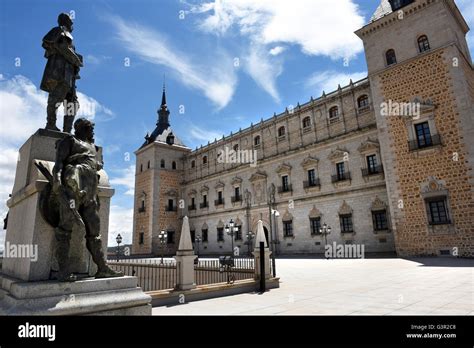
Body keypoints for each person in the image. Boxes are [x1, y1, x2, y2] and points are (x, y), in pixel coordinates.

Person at [52, 118, 122, 281]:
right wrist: (56, 181)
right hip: (73, 186)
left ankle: (102, 268)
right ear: (80, 128)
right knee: (65, 228)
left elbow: (96, 165)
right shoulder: (70, 140)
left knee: (94, 231)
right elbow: (58, 164)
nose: (92, 131)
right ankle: (63, 270)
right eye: (89, 128)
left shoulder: (93, 147)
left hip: (90, 191)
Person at [40, 13, 83, 133]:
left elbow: (66, 49)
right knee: (56, 98)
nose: (72, 23)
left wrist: (76, 60)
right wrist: (76, 59)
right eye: (70, 21)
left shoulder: (68, 36)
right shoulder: (59, 30)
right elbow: (61, 47)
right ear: (65, 21)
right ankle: (51, 124)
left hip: (69, 76)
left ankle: (67, 131)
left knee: (72, 104)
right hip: (59, 72)